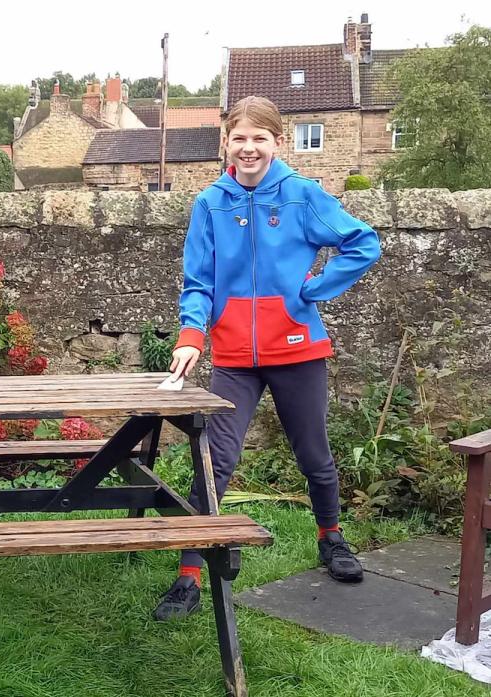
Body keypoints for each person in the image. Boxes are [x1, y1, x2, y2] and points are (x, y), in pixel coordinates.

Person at [153, 95, 381, 621]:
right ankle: (190, 572)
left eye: (260, 138)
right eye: (240, 137)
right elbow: (198, 281)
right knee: (216, 459)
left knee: (314, 456)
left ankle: (331, 537)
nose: (249, 147)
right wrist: (191, 337)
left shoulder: (302, 196)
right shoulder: (210, 203)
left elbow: (362, 243)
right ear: (226, 144)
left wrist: (316, 289)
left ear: (277, 142)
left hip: (298, 350)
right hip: (234, 354)